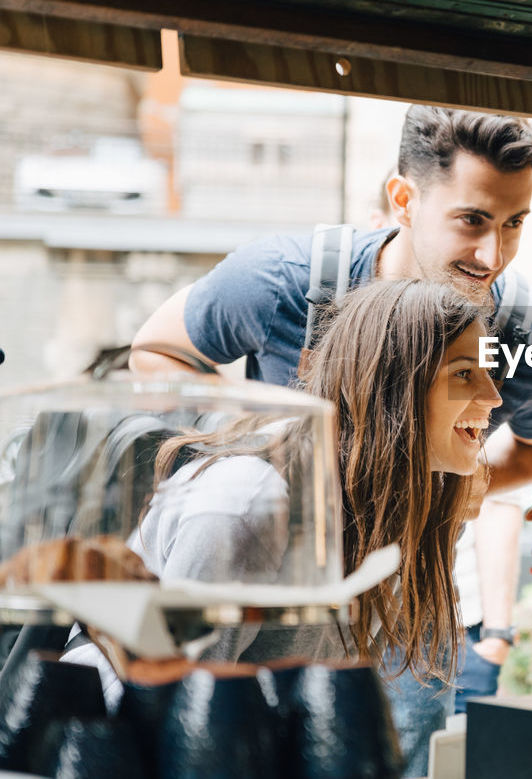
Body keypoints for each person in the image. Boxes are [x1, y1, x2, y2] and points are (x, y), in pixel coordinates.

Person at [128, 106, 532, 770]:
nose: (493, 256)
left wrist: (448, 478)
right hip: (271, 578)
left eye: (514, 225)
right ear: (403, 198)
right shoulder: (282, 280)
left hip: (398, 591)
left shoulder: (529, 329)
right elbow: (156, 350)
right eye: (473, 220)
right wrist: (284, 452)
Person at [64, 280, 501, 704]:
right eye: (463, 373)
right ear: (389, 386)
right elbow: (177, 706)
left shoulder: (381, 503)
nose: (494, 396)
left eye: (488, 372)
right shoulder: (249, 503)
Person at [369, 166, 522, 716]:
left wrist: (496, 631)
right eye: (463, 373)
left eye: (514, 223)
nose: (494, 398)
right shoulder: (266, 504)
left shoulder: (438, 490)